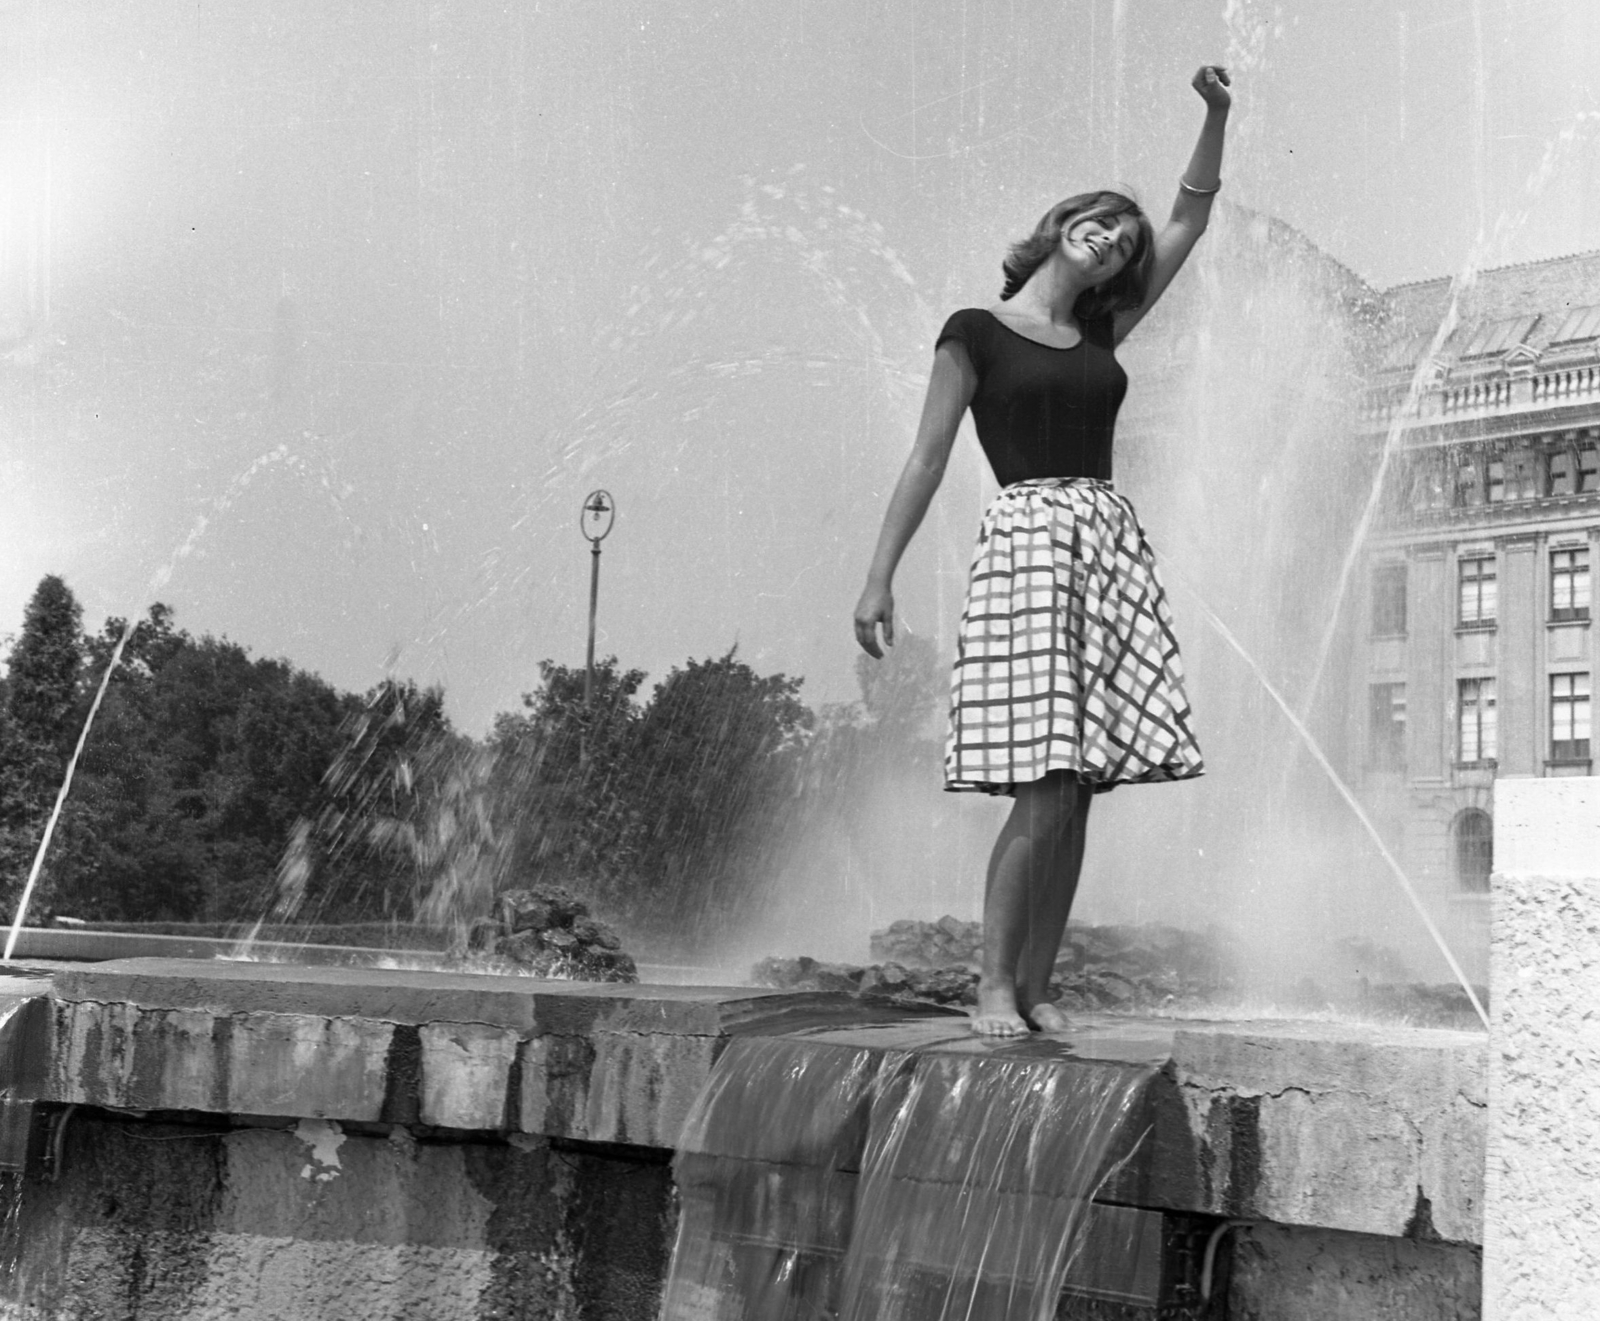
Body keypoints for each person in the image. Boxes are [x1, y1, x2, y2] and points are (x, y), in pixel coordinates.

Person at [853, 66, 1231, 1038]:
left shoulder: (1105, 327)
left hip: (1104, 548)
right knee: (1038, 777)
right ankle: (990, 985)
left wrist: (1215, 116)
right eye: (1101, 222)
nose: (1111, 239)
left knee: (1080, 786)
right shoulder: (975, 331)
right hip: (1025, 544)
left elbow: (1187, 222)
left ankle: (1036, 982)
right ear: (1064, 223)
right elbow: (929, 456)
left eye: (1121, 242)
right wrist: (879, 572)